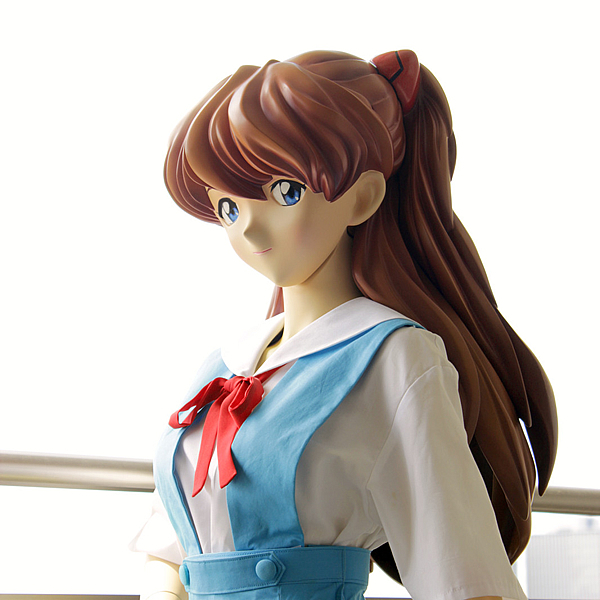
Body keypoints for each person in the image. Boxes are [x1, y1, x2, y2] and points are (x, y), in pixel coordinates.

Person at [131, 49, 557, 600]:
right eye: (228, 207)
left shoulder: (395, 357)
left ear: (362, 196)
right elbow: (172, 545)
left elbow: (460, 575)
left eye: (284, 193)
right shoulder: (224, 367)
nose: (249, 227)